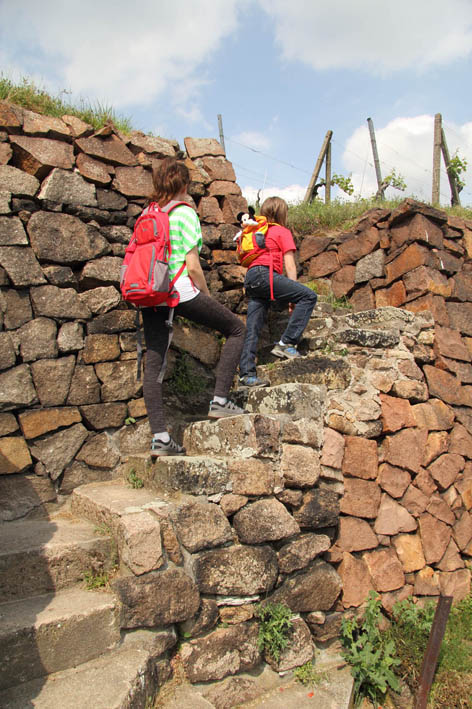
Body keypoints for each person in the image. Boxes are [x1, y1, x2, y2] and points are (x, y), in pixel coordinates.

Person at [138, 158, 247, 456]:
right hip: (179, 290)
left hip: (151, 294)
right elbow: (193, 266)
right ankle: (220, 400)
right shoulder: (184, 212)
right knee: (237, 328)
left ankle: (160, 437)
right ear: (184, 185)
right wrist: (207, 295)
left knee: (155, 363)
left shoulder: (149, 212)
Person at [239, 196, 317, 387]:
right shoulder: (282, 231)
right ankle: (286, 343)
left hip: (251, 278)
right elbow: (290, 265)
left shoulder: (256, 230)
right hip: (266, 276)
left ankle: (246, 375)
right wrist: (294, 295)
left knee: (253, 327)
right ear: (283, 213)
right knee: (308, 296)